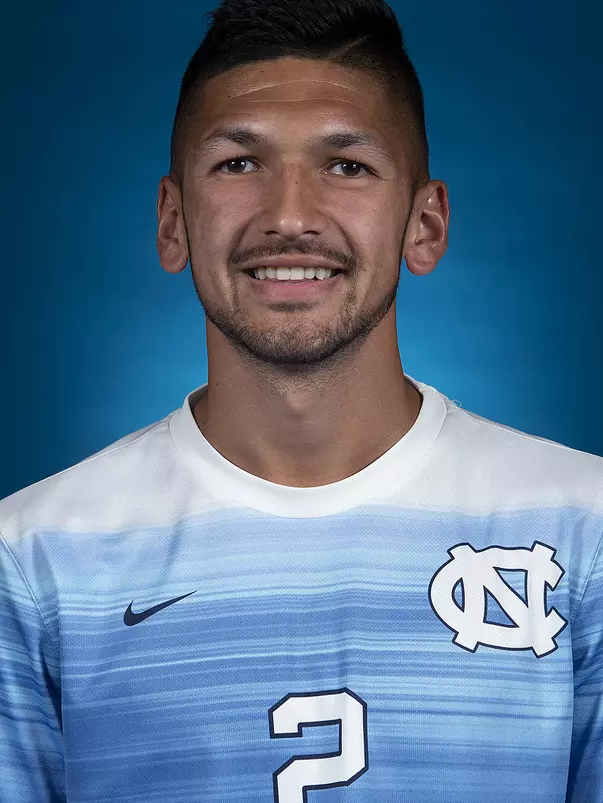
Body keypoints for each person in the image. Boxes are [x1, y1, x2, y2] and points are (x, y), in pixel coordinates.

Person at [1, 0, 601, 800]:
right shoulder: (33, 560)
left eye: (345, 165)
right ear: (172, 222)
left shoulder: (585, 530)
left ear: (423, 225)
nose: (288, 215)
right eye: (238, 164)